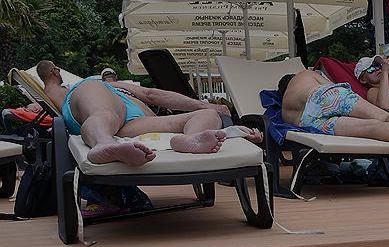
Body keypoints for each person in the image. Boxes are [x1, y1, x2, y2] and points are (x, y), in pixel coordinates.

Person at [37, 60, 261, 166]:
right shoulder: (94, 85)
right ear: (55, 72)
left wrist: (210, 112)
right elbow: (152, 94)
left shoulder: (114, 87)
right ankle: (103, 143)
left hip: (136, 124)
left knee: (207, 116)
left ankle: (190, 138)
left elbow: (151, 96)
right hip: (98, 110)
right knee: (105, 112)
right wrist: (203, 103)